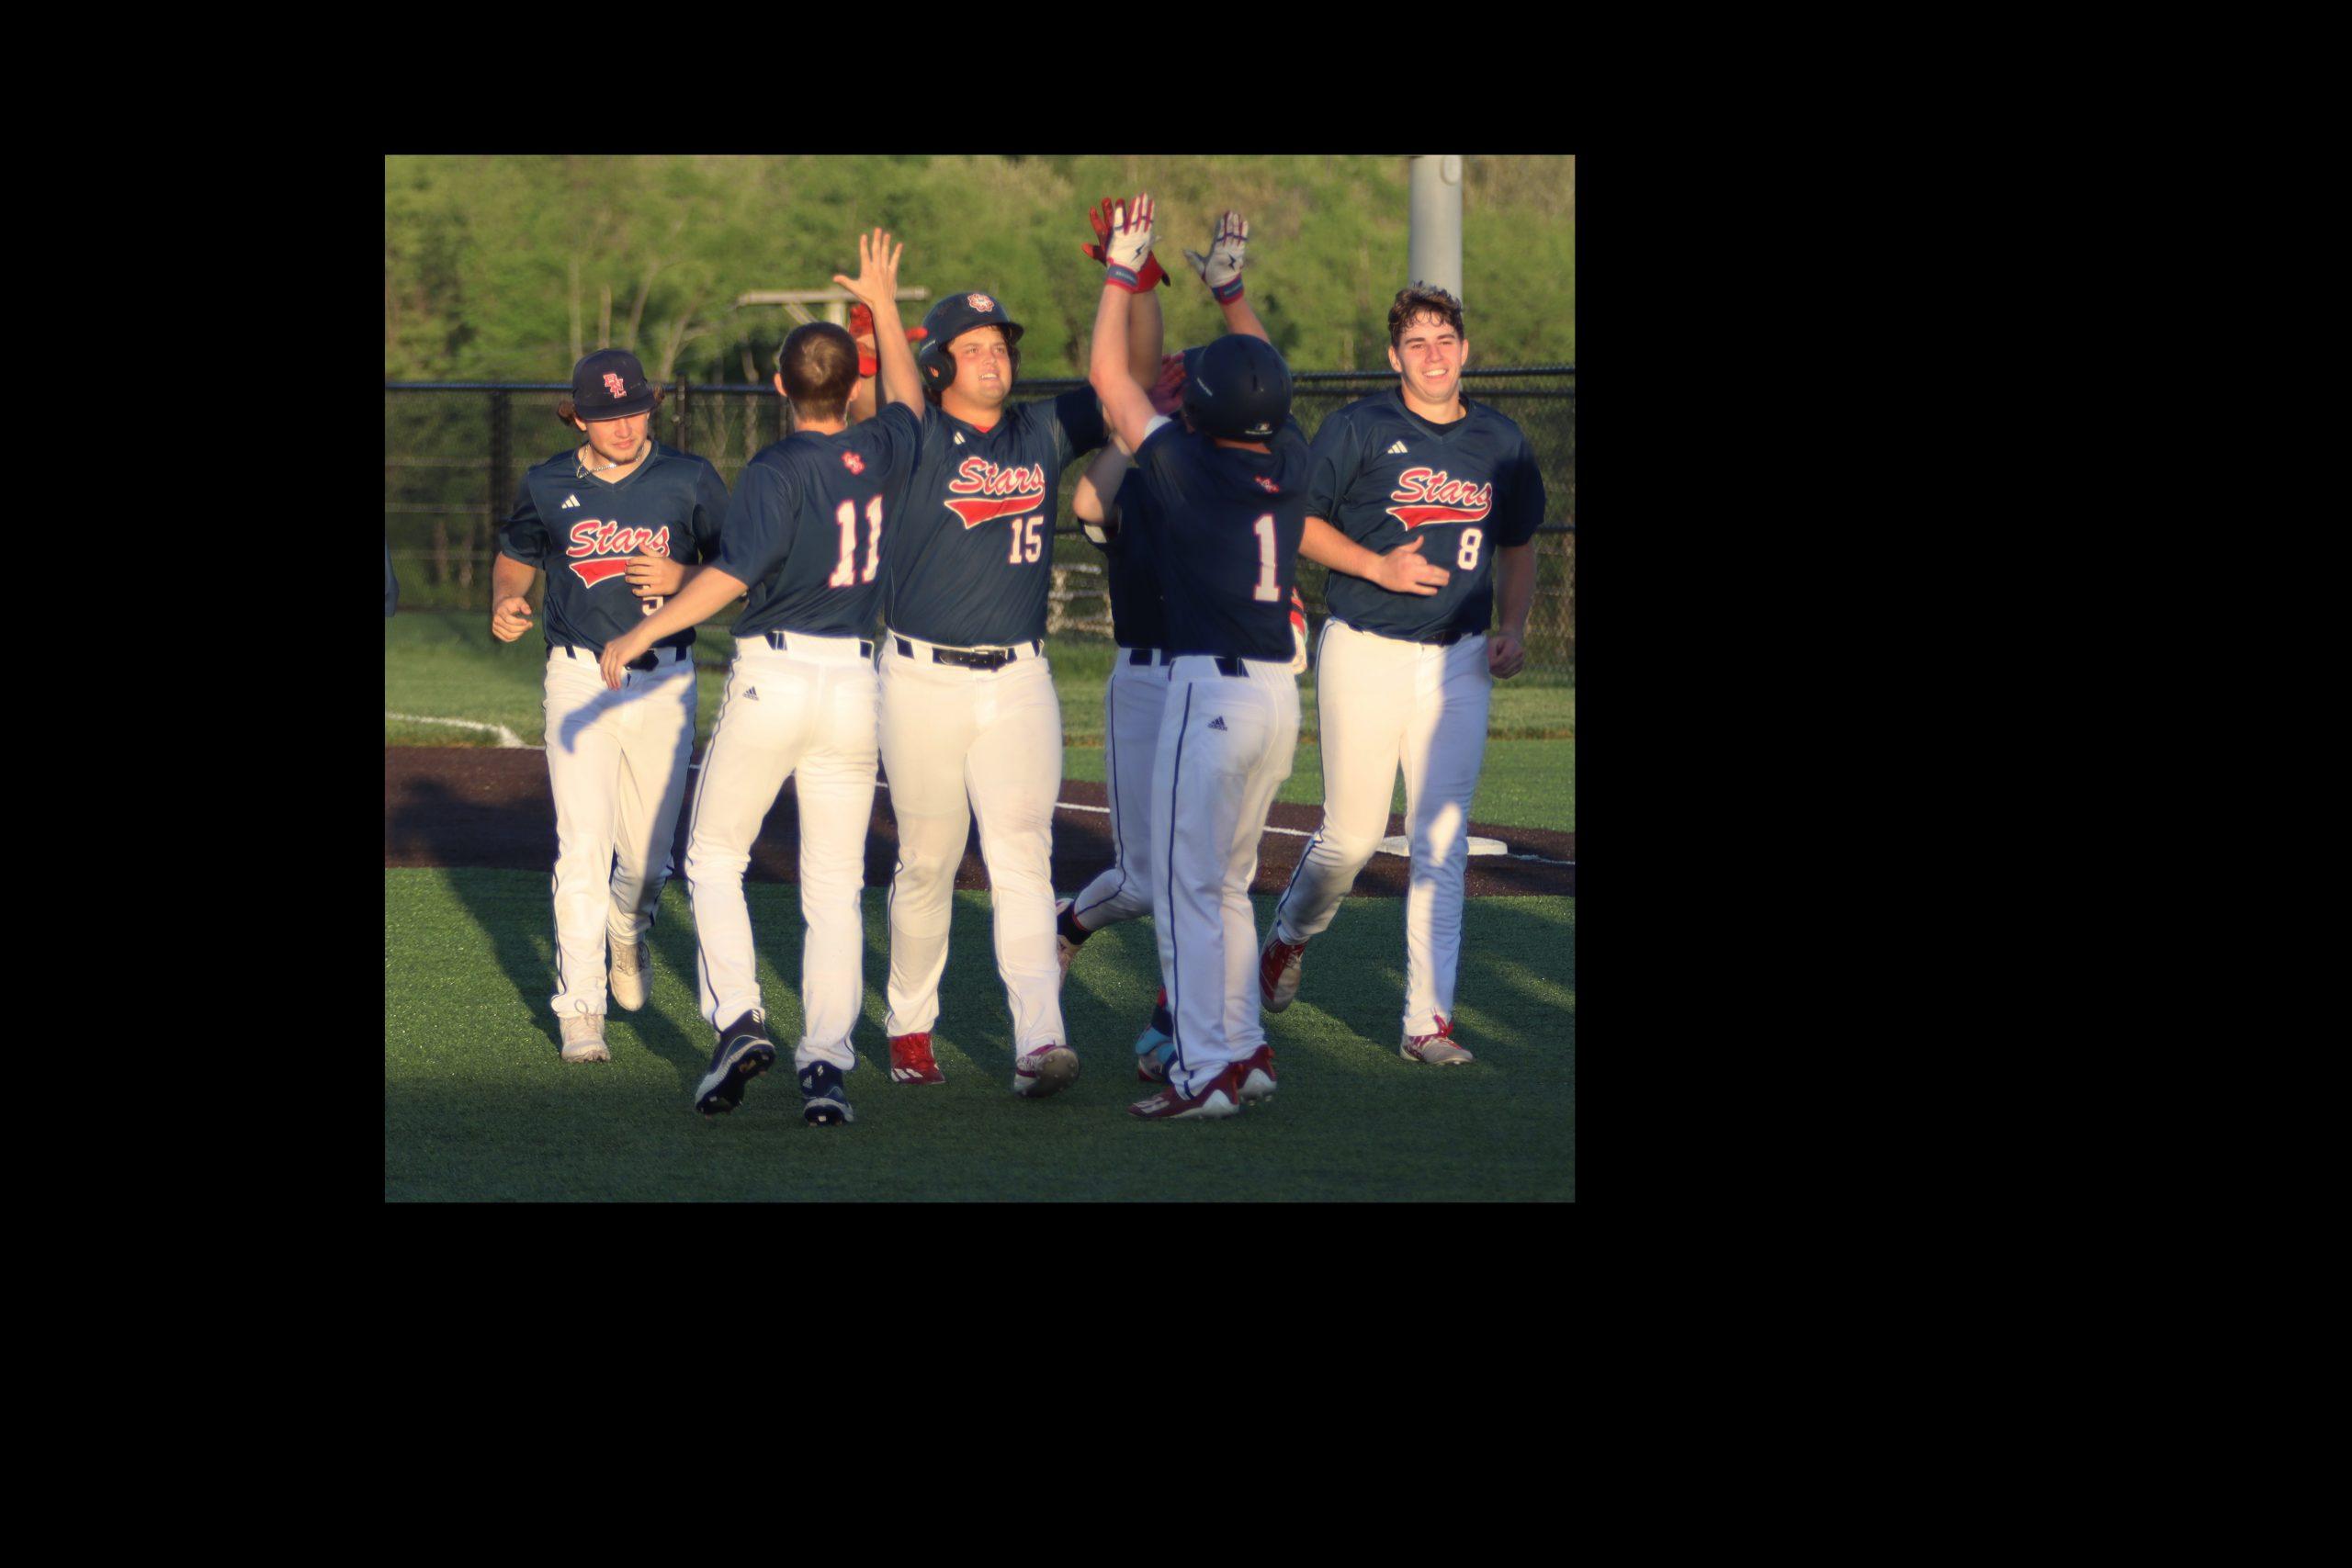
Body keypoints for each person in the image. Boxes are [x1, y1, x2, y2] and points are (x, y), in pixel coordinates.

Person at [601, 231, 921, 1128]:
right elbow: (908, 400)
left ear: (779, 385)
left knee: (711, 857)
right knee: (833, 886)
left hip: (777, 674)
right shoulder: (884, 447)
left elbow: (734, 575)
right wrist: (884, 307)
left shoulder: (777, 468)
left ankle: (740, 1018)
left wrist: (646, 627)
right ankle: (826, 1066)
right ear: (850, 387)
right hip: (857, 682)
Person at [870, 233, 1162, 1099]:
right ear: (939, 365)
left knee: (1024, 860)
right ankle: (910, 1025)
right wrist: (882, 306)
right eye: (973, 347)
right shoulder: (918, 433)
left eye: (1000, 344)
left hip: (1020, 679)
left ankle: (1040, 1038)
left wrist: (1129, 279)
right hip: (920, 677)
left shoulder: (1041, 429)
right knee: (928, 859)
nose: (994, 357)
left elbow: (1133, 378)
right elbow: (898, 392)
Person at [1260, 283, 1546, 1065]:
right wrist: (1375, 565)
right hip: (1365, 644)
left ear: (1466, 349)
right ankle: (1289, 934)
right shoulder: (1359, 425)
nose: (1433, 354)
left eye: (1445, 339)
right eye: (1416, 342)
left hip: (1459, 657)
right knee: (1352, 837)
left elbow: (1518, 544)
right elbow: (1299, 522)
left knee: (1440, 840)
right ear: (1394, 356)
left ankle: (1427, 1022)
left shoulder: (1500, 439)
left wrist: (1513, 627)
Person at [1061, 205, 1311, 1085]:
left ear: (1198, 407)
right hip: (1276, 692)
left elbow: (1110, 375)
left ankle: (1203, 1066)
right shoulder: (1290, 456)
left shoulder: (1182, 465)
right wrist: (1230, 292)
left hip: (1210, 692)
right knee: (1227, 886)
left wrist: (1120, 273)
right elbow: (1264, 373)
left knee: (1184, 888)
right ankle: (1242, 1047)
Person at [491, 348, 729, 1064]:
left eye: (634, 410)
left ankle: (628, 926)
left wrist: (683, 574)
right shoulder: (547, 482)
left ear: (650, 407)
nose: (623, 426)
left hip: (664, 678)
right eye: (606, 414)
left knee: (650, 860)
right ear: (579, 417)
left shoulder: (689, 478)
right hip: (577, 676)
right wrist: (506, 597)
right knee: (583, 844)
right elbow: (516, 554)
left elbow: (741, 565)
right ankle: (580, 1009)